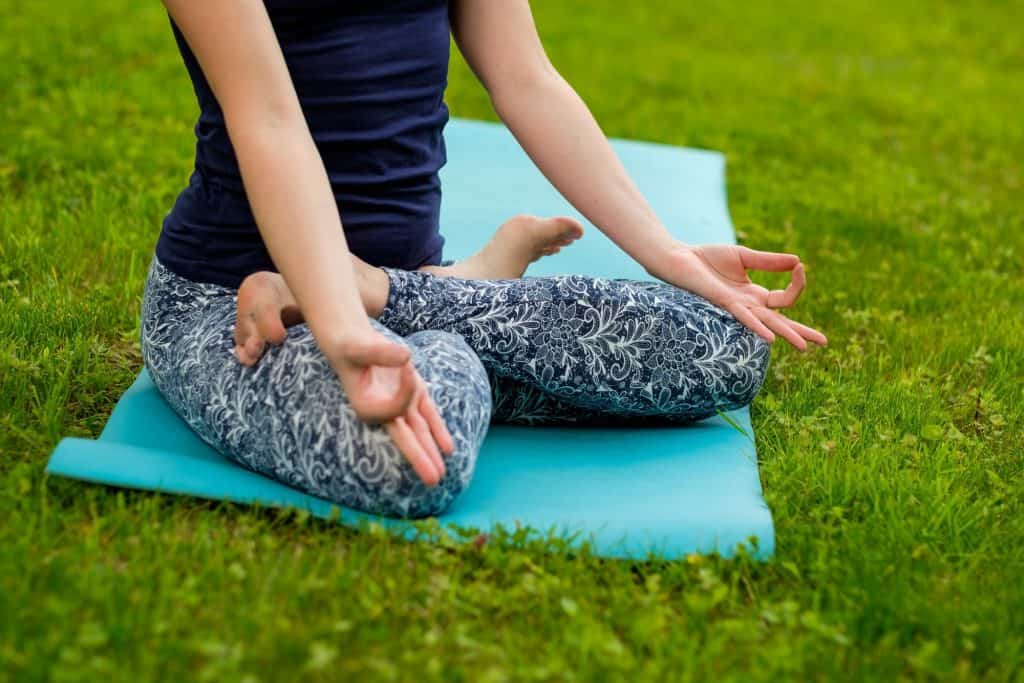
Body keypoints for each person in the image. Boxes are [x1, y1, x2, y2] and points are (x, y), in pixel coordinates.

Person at [141, 0, 827, 519]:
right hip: (231, 307)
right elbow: (268, 120)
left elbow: (526, 79)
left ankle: (398, 293)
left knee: (727, 346)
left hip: (402, 288)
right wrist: (341, 326)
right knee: (417, 457)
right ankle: (450, 299)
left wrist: (666, 250)